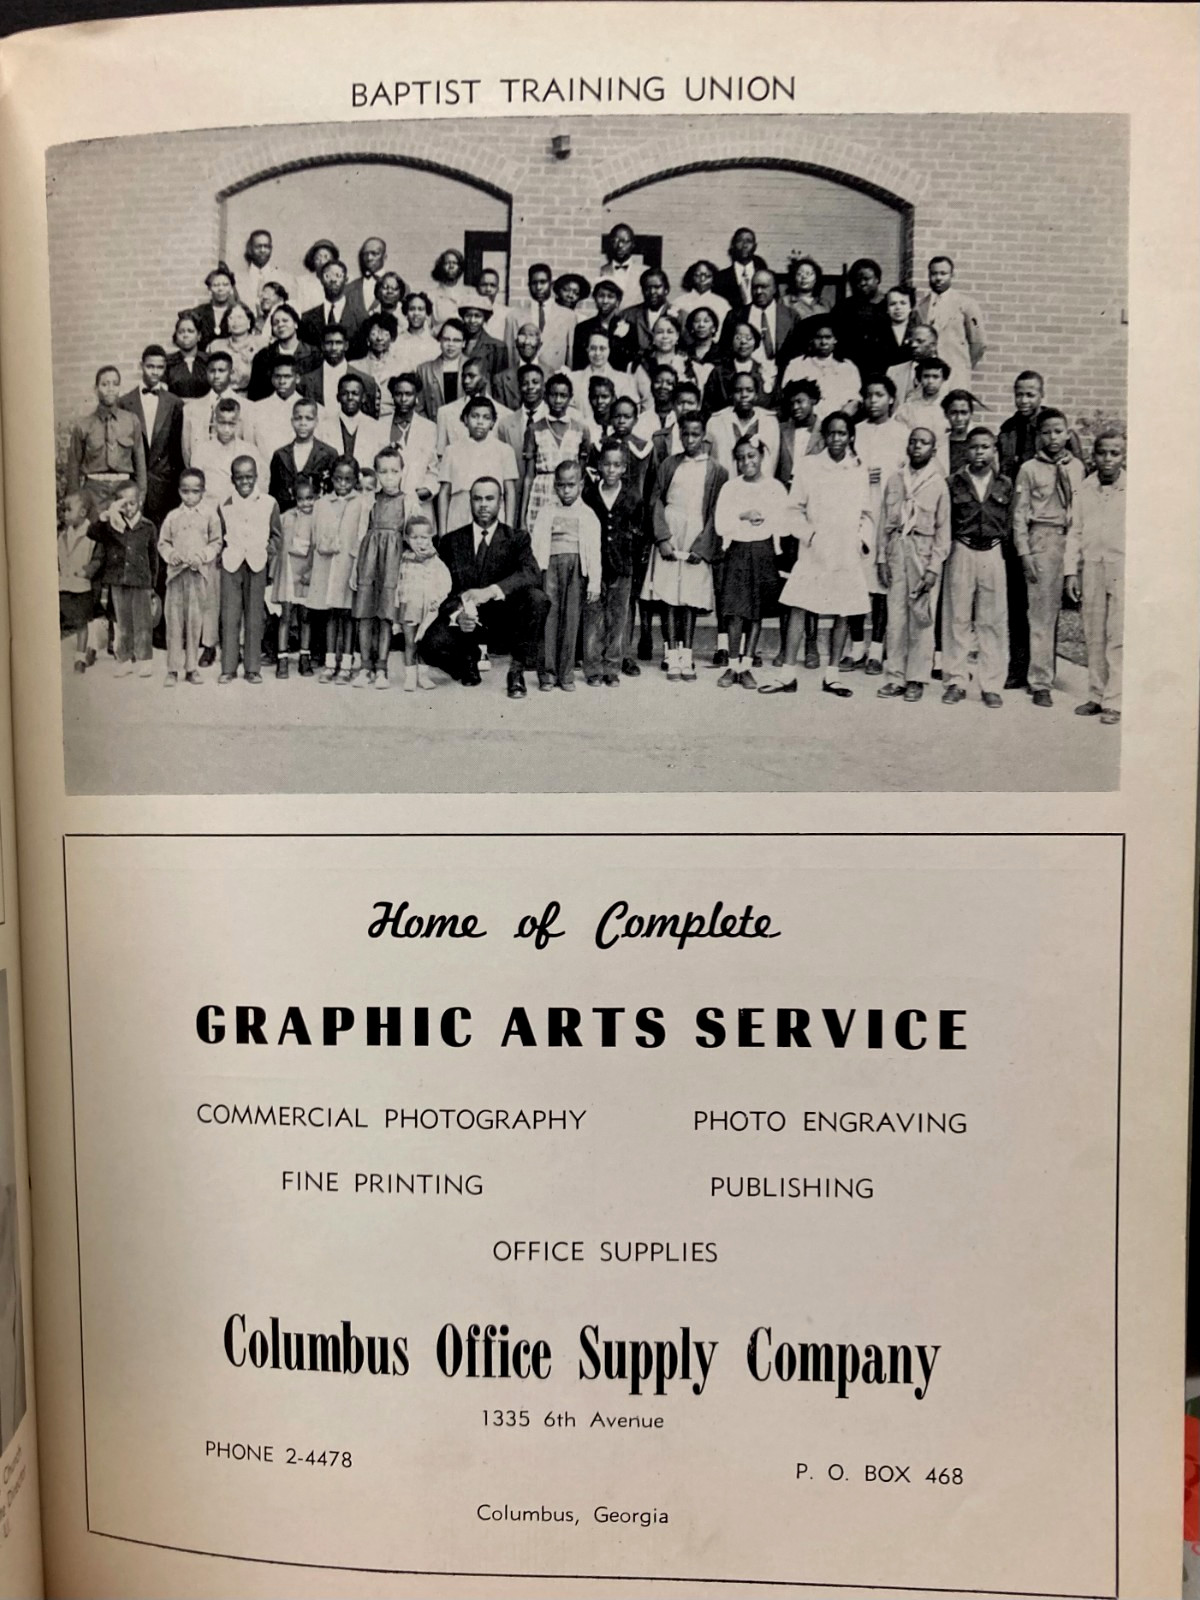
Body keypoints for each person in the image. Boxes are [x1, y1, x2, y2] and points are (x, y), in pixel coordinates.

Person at [761, 413, 872, 698]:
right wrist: (809, 536)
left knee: (843, 610)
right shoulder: (809, 466)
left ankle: (832, 676)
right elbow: (792, 509)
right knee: (799, 606)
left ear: (850, 437)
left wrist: (861, 541)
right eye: (831, 434)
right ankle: (787, 674)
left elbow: (867, 513)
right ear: (824, 436)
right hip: (814, 549)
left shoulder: (858, 469)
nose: (836, 439)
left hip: (846, 550)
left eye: (842, 434)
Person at [418, 475, 550, 698]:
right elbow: (441, 590)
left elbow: (531, 574)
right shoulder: (451, 541)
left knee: (538, 598)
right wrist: (457, 615)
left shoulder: (517, 538)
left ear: (500, 502)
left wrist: (490, 591)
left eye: (490, 498)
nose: (483, 505)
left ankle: (516, 672)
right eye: (477, 499)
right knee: (429, 645)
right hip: (467, 625)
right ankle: (465, 664)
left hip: (504, 622)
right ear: (470, 501)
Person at [996, 370, 1084, 689]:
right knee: (1018, 600)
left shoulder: (1053, 427)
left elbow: (1074, 478)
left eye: (1031, 394)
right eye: (1019, 394)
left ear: (1041, 395)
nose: (1024, 400)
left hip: (1050, 526)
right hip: (1018, 520)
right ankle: (1018, 666)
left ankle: (1044, 666)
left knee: (1046, 604)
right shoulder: (1007, 430)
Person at [642, 415, 727, 682]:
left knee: (688, 596)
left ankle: (687, 653)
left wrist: (702, 547)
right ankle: (671, 652)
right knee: (669, 595)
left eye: (695, 434)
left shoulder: (716, 470)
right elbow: (655, 501)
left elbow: (716, 512)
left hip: (696, 534)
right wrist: (662, 538)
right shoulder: (669, 464)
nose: (690, 440)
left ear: (704, 436)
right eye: (685, 435)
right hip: (672, 530)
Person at [1012, 408, 1086, 708]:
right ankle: (1040, 681)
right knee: (1041, 614)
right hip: (1042, 540)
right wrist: (1024, 552)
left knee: (1069, 610)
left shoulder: (1078, 468)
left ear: (1067, 433)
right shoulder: (1029, 469)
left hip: (1073, 540)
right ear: (1038, 436)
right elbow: (1019, 516)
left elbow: (1082, 511)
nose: (1053, 437)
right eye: (1046, 432)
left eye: (1058, 431)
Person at [875, 426, 951, 703]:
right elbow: (884, 522)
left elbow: (944, 530)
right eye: (913, 442)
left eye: (924, 443)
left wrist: (933, 568)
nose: (918, 446)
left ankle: (917, 678)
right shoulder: (895, 480)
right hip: (898, 549)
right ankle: (895, 676)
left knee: (921, 616)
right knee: (895, 618)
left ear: (934, 449)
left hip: (924, 550)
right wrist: (882, 558)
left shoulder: (938, 483)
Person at [940, 426, 1012, 709]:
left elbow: (1009, 520)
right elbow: (945, 520)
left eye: (985, 447)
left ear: (994, 450)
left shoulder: (1005, 483)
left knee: (992, 621)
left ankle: (991, 684)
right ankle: (956, 680)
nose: (979, 452)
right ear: (965, 451)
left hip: (992, 552)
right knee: (957, 618)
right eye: (974, 447)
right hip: (962, 549)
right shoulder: (953, 482)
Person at [713, 435, 787, 689]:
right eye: (741, 458)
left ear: (762, 457)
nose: (746, 462)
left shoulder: (775, 488)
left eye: (751, 456)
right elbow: (721, 524)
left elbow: (783, 523)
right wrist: (743, 515)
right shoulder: (731, 488)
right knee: (735, 611)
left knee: (755, 612)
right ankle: (731, 666)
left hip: (764, 551)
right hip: (737, 551)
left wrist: (765, 518)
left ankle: (746, 666)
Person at [847, 373, 909, 673]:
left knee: (881, 585)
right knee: (856, 581)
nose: (873, 401)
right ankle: (856, 646)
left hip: (886, 515)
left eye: (879, 395)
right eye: (869, 395)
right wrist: (860, 475)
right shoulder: (855, 431)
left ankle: (877, 649)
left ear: (891, 400)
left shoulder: (901, 432)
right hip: (858, 513)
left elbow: (907, 474)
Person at [1065, 429, 1125, 727]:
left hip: (1121, 567)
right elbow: (1075, 531)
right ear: (1093, 455)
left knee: (1118, 635)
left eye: (1115, 453)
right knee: (1094, 633)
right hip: (1091, 566)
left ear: (1123, 456)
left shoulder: (1132, 489)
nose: (1108, 459)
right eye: (1102, 453)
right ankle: (1096, 695)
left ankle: (1115, 700)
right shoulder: (1085, 488)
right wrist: (1070, 571)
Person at [529, 459, 602, 692]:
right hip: (551, 567)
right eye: (561, 485)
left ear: (581, 484)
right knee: (549, 620)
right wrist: (536, 574)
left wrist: (594, 582)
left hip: (576, 569)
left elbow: (594, 551)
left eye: (571, 485)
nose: (566, 490)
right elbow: (537, 544)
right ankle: (548, 674)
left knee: (571, 622)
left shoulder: (588, 514)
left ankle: (566, 674)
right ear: (554, 485)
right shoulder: (546, 512)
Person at [216, 455, 281, 684]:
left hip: (257, 564)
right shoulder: (224, 506)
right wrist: (222, 557)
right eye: (239, 477)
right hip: (232, 565)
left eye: (249, 477)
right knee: (230, 617)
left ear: (257, 477)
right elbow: (220, 537)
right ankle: (228, 668)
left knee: (255, 618)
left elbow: (276, 536)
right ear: (232, 479)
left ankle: (253, 668)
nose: (245, 482)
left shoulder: (269, 503)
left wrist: (266, 553)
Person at [582, 439, 641, 686]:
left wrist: (633, 563)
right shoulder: (589, 494)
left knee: (618, 618)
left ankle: (612, 668)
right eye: (607, 465)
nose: (612, 470)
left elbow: (639, 532)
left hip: (622, 566)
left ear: (624, 468)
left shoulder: (632, 496)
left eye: (617, 465)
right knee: (594, 617)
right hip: (595, 567)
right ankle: (593, 668)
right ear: (599, 466)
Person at [306, 456, 370, 684]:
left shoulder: (363, 503)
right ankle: (330, 662)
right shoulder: (321, 504)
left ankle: (347, 664)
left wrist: (357, 568)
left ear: (356, 479)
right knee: (331, 613)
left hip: (348, 566)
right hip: (327, 565)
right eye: (338, 479)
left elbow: (363, 537)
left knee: (348, 615)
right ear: (331, 479)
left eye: (348, 479)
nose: (343, 484)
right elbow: (314, 535)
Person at [157, 466, 221, 686]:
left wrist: (203, 556)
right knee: (174, 622)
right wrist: (171, 555)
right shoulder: (173, 517)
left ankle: (191, 667)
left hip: (198, 575)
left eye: (195, 491)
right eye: (186, 491)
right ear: (179, 491)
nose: (190, 496)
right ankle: (173, 669)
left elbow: (217, 542)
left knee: (194, 622)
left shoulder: (210, 515)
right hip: (176, 577)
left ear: (203, 491)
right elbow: (163, 542)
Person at [90, 479, 159, 678]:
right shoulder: (111, 526)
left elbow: (153, 558)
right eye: (122, 503)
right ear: (116, 505)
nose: (128, 508)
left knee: (143, 624)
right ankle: (124, 660)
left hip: (141, 582)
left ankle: (145, 660)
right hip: (118, 582)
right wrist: (106, 516)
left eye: (132, 503)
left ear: (139, 502)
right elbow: (92, 533)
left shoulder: (147, 527)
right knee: (123, 624)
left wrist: (152, 585)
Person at [350, 446, 406, 688]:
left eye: (394, 471)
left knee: (385, 614)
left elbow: (412, 537)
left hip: (393, 563)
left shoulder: (408, 501)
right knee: (365, 613)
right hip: (369, 559)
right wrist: (355, 567)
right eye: (383, 472)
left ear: (403, 472)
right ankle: (365, 666)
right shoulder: (369, 501)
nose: (389, 477)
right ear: (376, 474)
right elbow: (361, 534)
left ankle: (381, 667)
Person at [118, 344, 184, 526]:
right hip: (133, 485)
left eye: (160, 367)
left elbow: (176, 450)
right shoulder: (124, 402)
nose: (155, 372)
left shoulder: (174, 403)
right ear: (141, 366)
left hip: (163, 486)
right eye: (150, 366)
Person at [66, 366, 148, 511]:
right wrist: (75, 503)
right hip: (93, 493)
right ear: (96, 388)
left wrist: (140, 497)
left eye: (115, 384)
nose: (110, 389)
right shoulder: (84, 426)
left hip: (124, 491)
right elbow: (73, 467)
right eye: (105, 384)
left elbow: (140, 464)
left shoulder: (131, 421)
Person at [436, 394, 519, 536]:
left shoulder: (504, 450)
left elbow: (510, 491)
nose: (480, 422)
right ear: (465, 419)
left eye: (486, 418)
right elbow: (444, 492)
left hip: (492, 512)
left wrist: (508, 528)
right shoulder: (451, 451)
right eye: (475, 416)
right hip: (459, 513)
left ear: (493, 423)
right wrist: (442, 532)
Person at [519, 374, 589, 534]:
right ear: (545, 396)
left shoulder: (581, 429)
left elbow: (581, 472)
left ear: (570, 398)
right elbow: (529, 476)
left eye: (563, 395)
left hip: (568, 493)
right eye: (553, 395)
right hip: (541, 492)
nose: (558, 400)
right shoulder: (534, 428)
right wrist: (522, 517)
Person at [394, 513, 451, 692]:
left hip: (427, 608)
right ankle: (410, 677)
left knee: (424, 642)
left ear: (431, 537)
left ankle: (423, 676)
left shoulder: (435, 560)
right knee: (410, 642)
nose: (420, 542)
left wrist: (438, 599)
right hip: (409, 606)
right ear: (407, 538)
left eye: (424, 537)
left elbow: (445, 581)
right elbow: (397, 584)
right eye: (414, 537)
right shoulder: (403, 559)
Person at [917, 255, 987, 395]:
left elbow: (978, 343)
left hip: (955, 374)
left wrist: (962, 366)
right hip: (929, 377)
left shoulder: (966, 304)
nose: (938, 278)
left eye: (943, 273)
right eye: (934, 273)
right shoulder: (921, 306)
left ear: (952, 275)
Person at [270, 472, 317, 678]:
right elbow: (277, 545)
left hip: (308, 574)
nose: (305, 503)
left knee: (306, 617)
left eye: (309, 498)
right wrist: (274, 572)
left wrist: (312, 572)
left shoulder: (318, 518)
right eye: (301, 499)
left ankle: (304, 657)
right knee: (286, 616)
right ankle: (282, 659)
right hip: (289, 573)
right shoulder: (286, 518)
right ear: (294, 497)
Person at [780, 320, 860, 424]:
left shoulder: (847, 367)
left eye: (828, 337)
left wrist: (836, 422)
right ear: (812, 339)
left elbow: (854, 401)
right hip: (805, 425)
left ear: (835, 339)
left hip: (836, 426)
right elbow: (788, 398)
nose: (823, 342)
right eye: (819, 338)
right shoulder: (797, 365)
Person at [705, 370, 780, 479]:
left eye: (749, 390)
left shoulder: (770, 422)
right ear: (730, 395)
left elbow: (772, 461)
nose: (744, 395)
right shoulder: (716, 422)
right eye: (738, 391)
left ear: (756, 395)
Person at [385, 373, 440, 520]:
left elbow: (434, 469)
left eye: (408, 394)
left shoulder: (429, 428)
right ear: (392, 396)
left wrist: (426, 490)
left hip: (419, 506)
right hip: (386, 505)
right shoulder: (379, 426)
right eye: (398, 394)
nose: (403, 399)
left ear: (416, 396)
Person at [268, 399, 338, 512]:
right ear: (291, 421)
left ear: (316, 421)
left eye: (308, 418)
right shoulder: (280, 455)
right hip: (287, 518)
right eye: (298, 418)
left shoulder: (328, 453)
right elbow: (274, 493)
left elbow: (333, 492)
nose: (303, 423)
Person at [58, 490, 101, 673]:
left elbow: (98, 558)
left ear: (83, 513)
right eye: (64, 510)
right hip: (64, 585)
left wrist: (87, 571)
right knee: (68, 619)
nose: (65, 514)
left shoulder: (92, 535)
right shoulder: (62, 535)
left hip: (83, 587)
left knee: (82, 621)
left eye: (69, 510)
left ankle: (80, 657)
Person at [298, 324, 380, 417]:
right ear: (322, 346)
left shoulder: (366, 381)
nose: (334, 348)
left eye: (338, 343)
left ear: (346, 345)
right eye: (329, 343)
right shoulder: (305, 382)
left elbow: (369, 421)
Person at [505, 262, 575, 373]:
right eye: (534, 283)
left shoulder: (568, 316)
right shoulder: (514, 317)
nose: (538, 287)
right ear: (528, 285)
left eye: (543, 282)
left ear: (551, 284)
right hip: (524, 380)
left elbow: (570, 355)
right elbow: (509, 356)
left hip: (554, 379)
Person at [722, 268, 795, 371]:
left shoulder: (791, 316)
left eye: (764, 287)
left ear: (774, 288)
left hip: (782, 374)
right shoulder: (736, 315)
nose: (759, 292)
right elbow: (724, 350)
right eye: (755, 287)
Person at [435, 358, 511, 454]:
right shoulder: (445, 413)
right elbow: (441, 455)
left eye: (471, 376)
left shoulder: (505, 415)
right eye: (463, 376)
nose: (466, 381)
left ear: (485, 377)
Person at [246, 303, 319, 401]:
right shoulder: (263, 357)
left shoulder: (314, 354)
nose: (280, 325)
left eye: (285, 321)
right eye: (276, 323)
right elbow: (255, 394)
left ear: (296, 323)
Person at [318, 372, 388, 471]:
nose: (350, 397)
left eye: (355, 393)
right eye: (345, 393)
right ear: (338, 397)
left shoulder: (376, 428)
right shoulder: (323, 427)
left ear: (363, 398)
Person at [833, 257, 891, 375]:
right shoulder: (843, 307)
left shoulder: (889, 304)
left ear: (877, 279)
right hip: (852, 368)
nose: (862, 283)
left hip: (884, 367)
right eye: (857, 280)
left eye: (866, 279)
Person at [896, 357, 953, 473]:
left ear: (943, 379)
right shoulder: (907, 408)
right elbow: (899, 437)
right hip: (911, 462)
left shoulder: (949, 408)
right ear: (919, 379)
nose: (930, 381)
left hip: (941, 462)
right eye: (926, 376)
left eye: (935, 377)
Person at [299, 257, 364, 353]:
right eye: (327, 276)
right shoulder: (306, 319)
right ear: (321, 279)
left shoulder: (361, 318)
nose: (333, 280)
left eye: (338, 275)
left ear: (346, 279)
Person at [572, 279, 637, 371]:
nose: (605, 301)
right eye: (601, 296)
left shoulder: (628, 327)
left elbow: (629, 361)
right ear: (595, 299)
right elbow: (578, 362)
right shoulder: (583, 328)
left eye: (610, 297)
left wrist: (617, 339)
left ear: (617, 301)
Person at [775, 379, 824, 490]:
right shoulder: (780, 430)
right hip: (785, 492)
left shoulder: (825, 431)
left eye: (800, 401)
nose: (795, 407)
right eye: (791, 403)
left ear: (813, 400)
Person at [416, 318, 468, 420]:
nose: (451, 344)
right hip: (433, 428)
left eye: (456, 340)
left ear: (464, 343)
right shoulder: (424, 370)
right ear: (440, 340)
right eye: (446, 339)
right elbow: (418, 407)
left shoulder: (476, 368)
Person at [573, 329, 638, 408]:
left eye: (602, 348)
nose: (597, 353)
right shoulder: (574, 379)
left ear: (609, 350)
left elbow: (631, 410)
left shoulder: (624, 380)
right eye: (593, 348)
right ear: (587, 349)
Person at [208, 301, 260, 394]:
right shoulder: (216, 346)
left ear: (249, 322)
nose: (235, 322)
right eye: (231, 318)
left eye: (240, 317)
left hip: (253, 397)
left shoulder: (261, 344)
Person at [622, 269, 675, 361]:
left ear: (666, 289)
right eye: (647, 288)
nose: (652, 292)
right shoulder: (628, 315)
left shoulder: (680, 316)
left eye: (657, 287)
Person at [458, 292, 509, 384]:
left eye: (477, 316)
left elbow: (500, 383)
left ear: (485, 318)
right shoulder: (455, 341)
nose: (472, 321)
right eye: (468, 316)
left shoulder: (497, 347)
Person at [357, 313, 402, 415]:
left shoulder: (403, 366)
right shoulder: (355, 367)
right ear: (367, 338)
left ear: (392, 338)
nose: (379, 338)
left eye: (385, 334)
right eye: (374, 333)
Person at [713, 227, 769, 309]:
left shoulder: (765, 275)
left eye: (749, 241)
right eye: (740, 241)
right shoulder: (721, 278)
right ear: (733, 245)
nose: (744, 245)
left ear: (755, 246)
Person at [240, 228, 293, 313]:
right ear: (250, 249)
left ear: (271, 249)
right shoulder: (238, 279)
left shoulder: (285, 279)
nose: (262, 250)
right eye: (258, 246)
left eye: (266, 246)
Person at [190, 263, 238, 349]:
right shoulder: (198, 313)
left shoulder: (238, 311)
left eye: (225, 285)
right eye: (216, 285)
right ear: (209, 289)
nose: (221, 289)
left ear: (231, 288)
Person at [345, 236, 389, 327]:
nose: (369, 258)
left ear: (384, 257)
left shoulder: (400, 287)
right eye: (365, 254)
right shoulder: (348, 289)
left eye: (374, 253)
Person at [596, 222, 645, 303]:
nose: (620, 245)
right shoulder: (600, 272)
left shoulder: (644, 272)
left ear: (633, 244)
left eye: (625, 241)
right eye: (615, 241)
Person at [164, 312, 210, 399]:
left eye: (190, 331)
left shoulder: (208, 361)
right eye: (181, 332)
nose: (185, 335)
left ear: (199, 336)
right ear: (176, 336)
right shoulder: (168, 363)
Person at [393, 292, 441, 372]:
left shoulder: (435, 346)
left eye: (420, 309)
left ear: (426, 314)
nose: (416, 313)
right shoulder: (396, 342)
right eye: (412, 309)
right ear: (406, 313)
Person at [781, 254, 835, 325]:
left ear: (816, 279)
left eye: (808, 273)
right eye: (799, 274)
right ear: (794, 278)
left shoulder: (825, 304)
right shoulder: (785, 302)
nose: (804, 277)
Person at [672, 260, 728, 326]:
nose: (702, 279)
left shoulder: (722, 303)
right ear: (691, 277)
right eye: (698, 275)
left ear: (714, 279)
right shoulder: (679, 302)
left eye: (707, 276)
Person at [942, 389, 982, 474]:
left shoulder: (979, 444)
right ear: (946, 414)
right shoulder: (939, 445)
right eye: (953, 413)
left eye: (964, 413)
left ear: (971, 413)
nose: (959, 418)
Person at [296, 239, 341, 315]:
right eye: (318, 258)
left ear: (333, 260)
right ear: (312, 261)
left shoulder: (342, 280)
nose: (322, 261)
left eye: (326, 257)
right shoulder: (302, 282)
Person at [429, 247, 468, 330]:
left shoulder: (469, 293)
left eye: (455, 263)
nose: (451, 266)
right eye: (447, 263)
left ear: (460, 267)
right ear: (441, 267)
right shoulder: (431, 296)